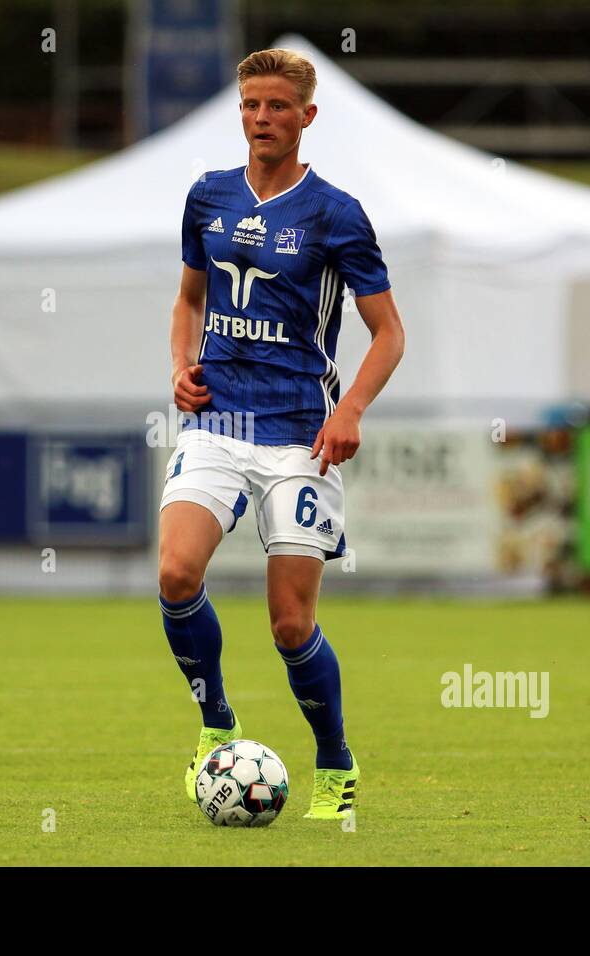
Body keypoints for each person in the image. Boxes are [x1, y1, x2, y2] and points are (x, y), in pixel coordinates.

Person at [159, 48, 405, 819]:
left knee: (290, 624)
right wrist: (179, 364)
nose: (260, 118)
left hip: (301, 434)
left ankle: (335, 763)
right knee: (175, 574)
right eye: (249, 106)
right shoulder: (208, 197)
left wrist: (351, 408)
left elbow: (389, 333)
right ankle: (216, 722)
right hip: (218, 421)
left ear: (306, 117)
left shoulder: (336, 213)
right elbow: (188, 301)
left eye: (275, 107)